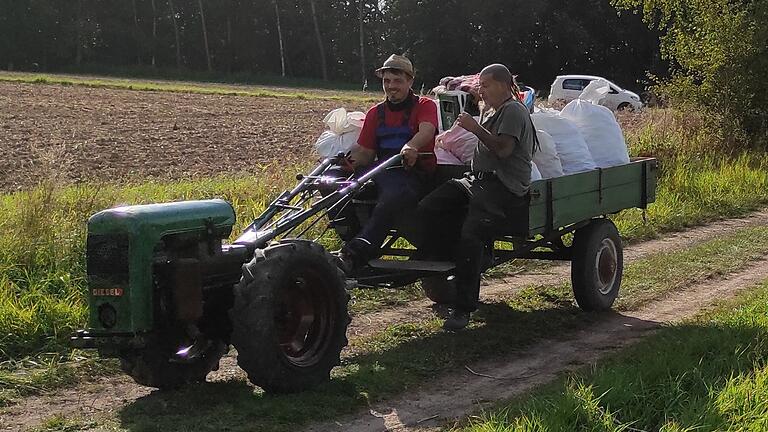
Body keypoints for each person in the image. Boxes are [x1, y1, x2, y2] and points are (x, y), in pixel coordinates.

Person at [417, 64, 536, 331]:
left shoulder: (513, 110)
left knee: (471, 237)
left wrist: (473, 128)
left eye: (486, 85)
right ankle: (453, 263)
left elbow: (504, 150)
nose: (481, 90)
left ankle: (463, 309)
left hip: (505, 185)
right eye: (480, 85)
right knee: (429, 206)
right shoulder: (491, 109)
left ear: (504, 86)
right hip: (478, 180)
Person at [337, 54, 438, 272]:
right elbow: (365, 152)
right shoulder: (376, 113)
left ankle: (359, 250)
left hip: (413, 173)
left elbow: (427, 131)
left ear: (410, 81)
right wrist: (345, 162)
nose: (391, 87)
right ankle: (350, 237)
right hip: (382, 172)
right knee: (332, 184)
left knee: (392, 193)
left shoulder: (425, 105)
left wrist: (411, 146)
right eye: (386, 81)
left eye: (397, 81)